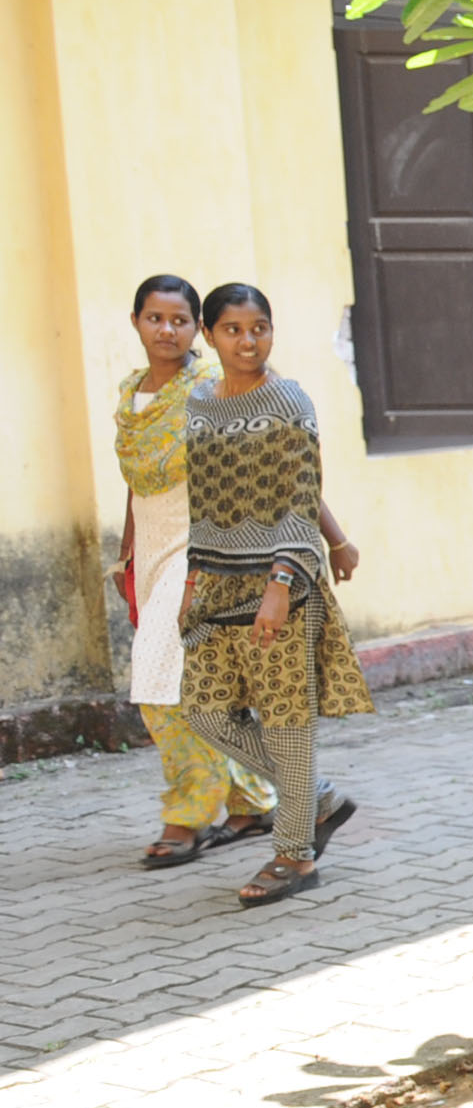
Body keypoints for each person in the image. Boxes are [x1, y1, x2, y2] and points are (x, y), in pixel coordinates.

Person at [174, 285, 371, 906]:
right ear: (209, 336)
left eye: (260, 327)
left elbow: (299, 493)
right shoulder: (199, 403)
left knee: (287, 725)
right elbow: (203, 502)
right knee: (203, 710)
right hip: (217, 582)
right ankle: (316, 799)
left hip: (282, 584)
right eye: (233, 329)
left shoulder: (289, 401)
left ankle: (294, 856)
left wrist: (282, 582)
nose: (248, 340)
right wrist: (190, 580)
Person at [113, 274, 278, 867]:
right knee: (200, 685)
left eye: (180, 320)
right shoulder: (133, 399)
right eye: (155, 318)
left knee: (156, 685)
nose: (167, 330)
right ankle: (253, 800)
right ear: (136, 321)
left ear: (197, 330)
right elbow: (136, 486)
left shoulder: (212, 389)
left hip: (203, 551)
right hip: (153, 555)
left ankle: (188, 814)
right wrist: (127, 554)